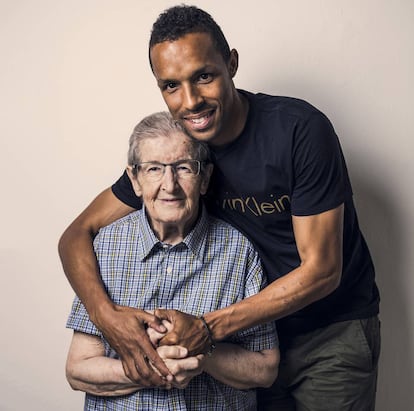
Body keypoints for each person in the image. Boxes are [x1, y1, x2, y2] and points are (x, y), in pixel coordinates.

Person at [59, 5, 380, 411]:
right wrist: (108, 319)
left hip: (328, 333)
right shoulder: (180, 153)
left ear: (231, 63)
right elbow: (75, 234)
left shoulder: (299, 130)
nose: (190, 101)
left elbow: (321, 271)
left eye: (203, 76)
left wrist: (207, 329)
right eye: (171, 85)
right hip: (252, 343)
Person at [65, 111, 279, 410]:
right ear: (135, 180)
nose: (170, 184)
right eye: (154, 168)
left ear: (204, 178)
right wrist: (153, 369)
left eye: (183, 168)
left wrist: (200, 356)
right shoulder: (104, 246)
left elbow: (265, 369)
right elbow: (78, 369)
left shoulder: (239, 251)